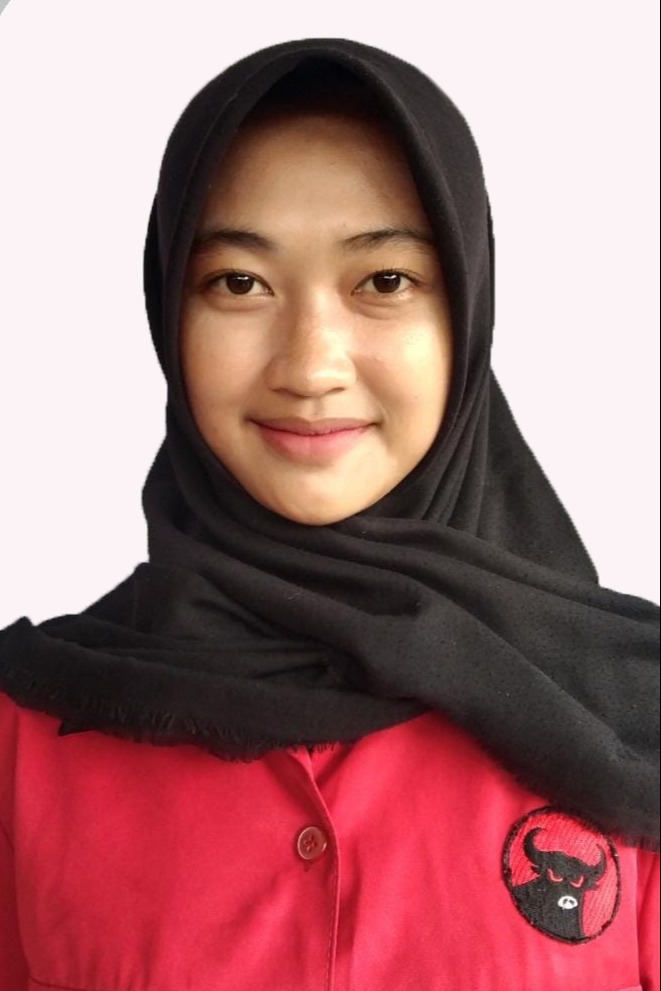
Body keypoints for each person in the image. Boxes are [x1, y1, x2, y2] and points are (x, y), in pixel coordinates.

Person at [0, 37, 658, 990]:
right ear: (168, 313)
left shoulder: (627, 717)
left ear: (466, 312)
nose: (310, 365)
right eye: (239, 283)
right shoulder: (25, 738)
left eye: (384, 281)